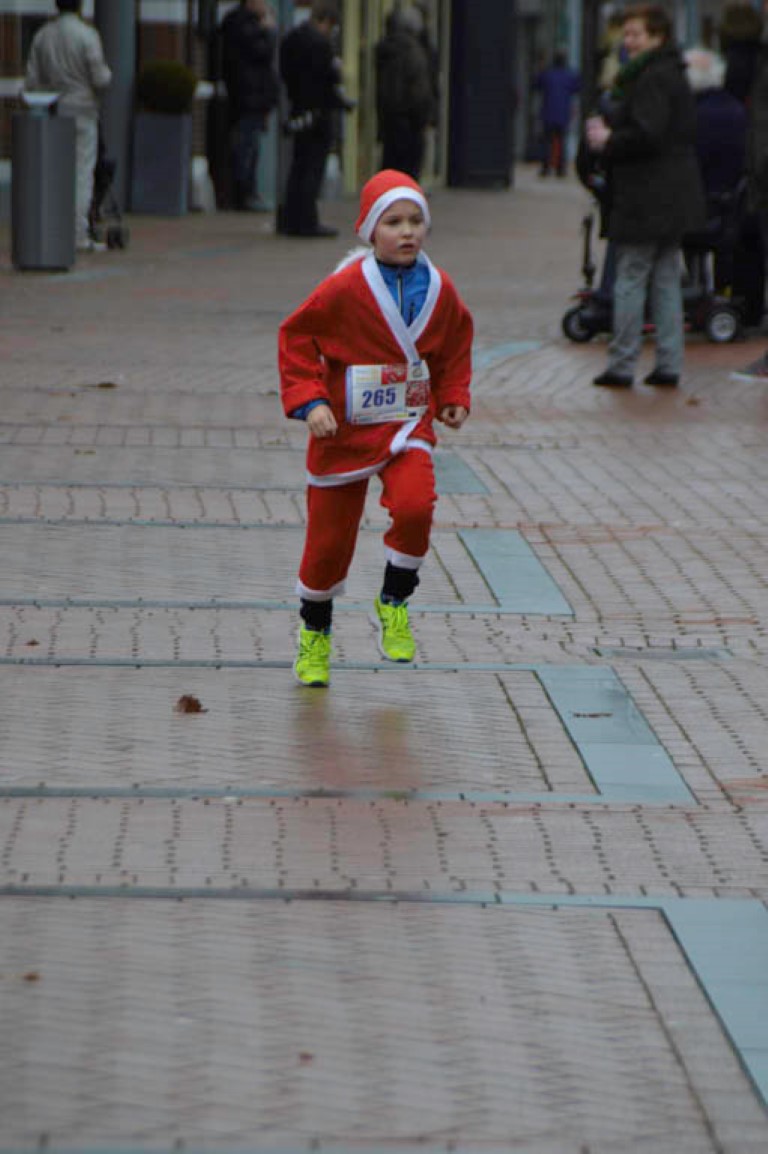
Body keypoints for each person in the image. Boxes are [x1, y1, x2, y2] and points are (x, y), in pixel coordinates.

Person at [278, 169, 473, 687]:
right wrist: (310, 402)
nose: (407, 232)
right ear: (369, 230)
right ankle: (314, 635)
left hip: (408, 422)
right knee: (327, 544)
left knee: (416, 505)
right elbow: (296, 338)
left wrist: (454, 396)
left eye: (415, 221)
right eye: (393, 222)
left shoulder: (440, 288)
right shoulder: (344, 288)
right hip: (343, 429)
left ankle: (394, 599)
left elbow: (455, 343)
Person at [585, 4, 705, 388]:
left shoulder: (651, 77)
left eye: (636, 34)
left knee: (631, 277)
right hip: (673, 195)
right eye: (627, 34)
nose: (628, 41)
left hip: (647, 195)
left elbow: (647, 133)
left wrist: (609, 138)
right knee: (666, 277)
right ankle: (669, 362)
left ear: (657, 37)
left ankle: (623, 363)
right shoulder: (672, 72)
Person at [24, 0, 112, 253]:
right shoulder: (87, 35)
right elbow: (100, 78)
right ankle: (77, 234)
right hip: (83, 111)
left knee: (54, 174)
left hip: (53, 112)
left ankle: (52, 231)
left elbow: (32, 80)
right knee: (81, 172)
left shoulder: (43, 35)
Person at [278, 1, 353, 237]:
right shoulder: (320, 46)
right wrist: (340, 101)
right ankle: (307, 221)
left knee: (298, 166)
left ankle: (289, 219)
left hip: (299, 110)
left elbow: (286, 73)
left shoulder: (291, 39)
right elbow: (328, 81)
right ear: (325, 22)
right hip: (318, 114)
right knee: (312, 168)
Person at [683, 48, 748, 296]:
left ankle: (695, 287)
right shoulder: (737, 109)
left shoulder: (692, 115)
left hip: (698, 209)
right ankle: (723, 292)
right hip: (732, 207)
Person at [220, 0, 279, 212]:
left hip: (254, 97)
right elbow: (262, 52)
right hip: (248, 97)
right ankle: (243, 195)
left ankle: (247, 192)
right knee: (245, 146)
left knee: (251, 147)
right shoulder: (242, 24)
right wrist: (268, 31)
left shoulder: (245, 23)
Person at [375, 8, 435, 180]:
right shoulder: (414, 52)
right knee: (409, 172)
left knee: (390, 168)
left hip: (390, 120)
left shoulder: (386, 50)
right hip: (410, 123)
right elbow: (420, 92)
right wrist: (424, 117)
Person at [533, 50, 581, 177]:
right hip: (563, 113)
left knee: (546, 142)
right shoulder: (569, 75)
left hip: (548, 112)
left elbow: (536, 84)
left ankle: (545, 168)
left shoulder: (547, 74)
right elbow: (576, 88)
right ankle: (561, 169)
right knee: (562, 141)